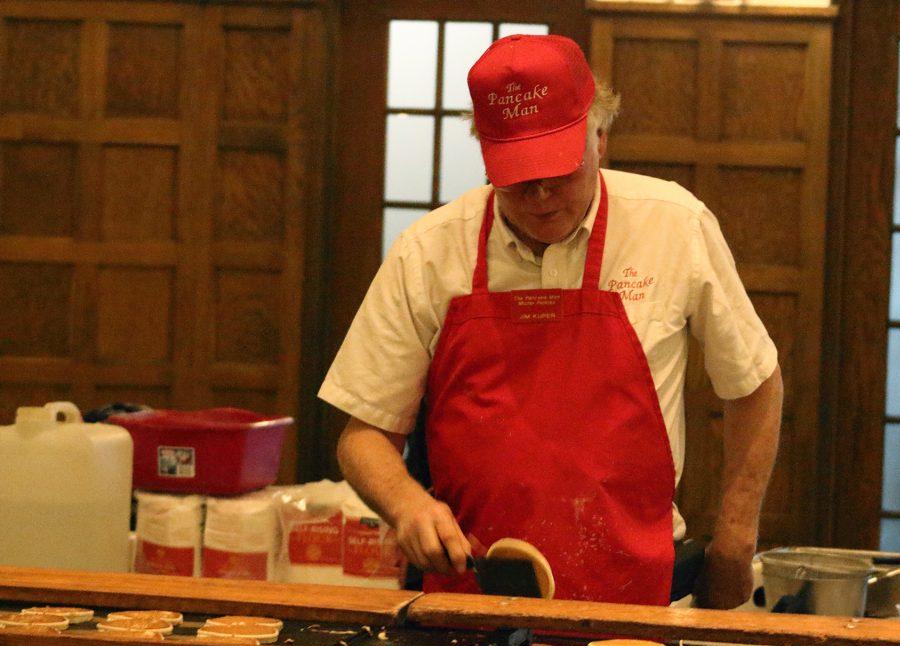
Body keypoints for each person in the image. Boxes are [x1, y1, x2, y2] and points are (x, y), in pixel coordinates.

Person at [319, 34, 783, 609]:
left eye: (558, 170)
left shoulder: (673, 227)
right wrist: (408, 505)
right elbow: (363, 435)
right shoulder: (431, 251)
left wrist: (736, 539)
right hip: (475, 594)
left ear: (601, 137)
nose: (540, 196)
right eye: (518, 176)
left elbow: (756, 383)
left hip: (639, 594)